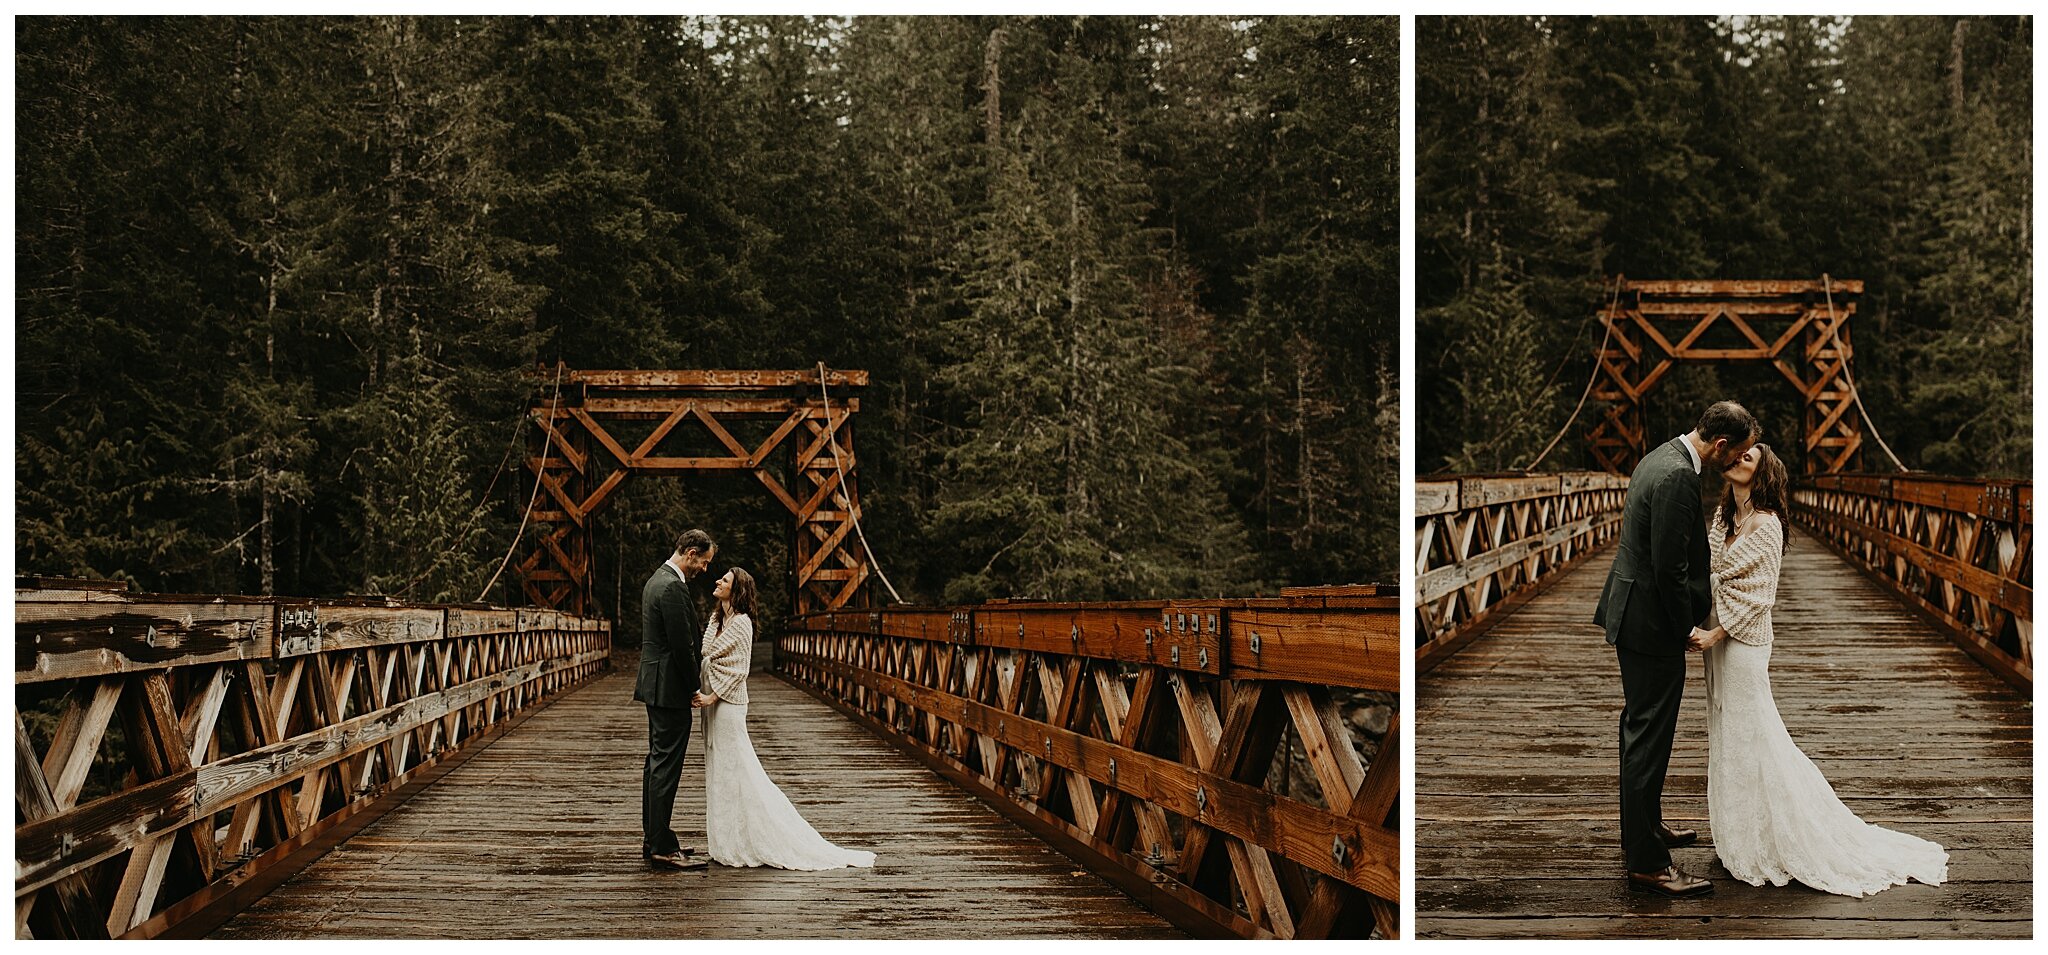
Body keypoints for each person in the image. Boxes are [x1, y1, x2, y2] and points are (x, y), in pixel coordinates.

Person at [1694, 443, 1948, 896]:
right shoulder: (1722, 517)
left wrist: (1715, 634)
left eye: (1746, 459)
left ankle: (1781, 836)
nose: (1734, 461)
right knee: (1727, 729)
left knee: (1754, 731)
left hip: (1743, 641)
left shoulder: (1767, 525)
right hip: (1717, 637)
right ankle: (1740, 832)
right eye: (1733, 456)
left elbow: (1760, 597)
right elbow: (1710, 568)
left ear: (1762, 473)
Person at [1592, 400, 1758, 896]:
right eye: (1740, 453)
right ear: (1721, 445)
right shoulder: (1678, 478)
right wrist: (1686, 624)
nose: (1738, 463)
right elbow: (1668, 568)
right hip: (1650, 625)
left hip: (1635, 612)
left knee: (1642, 731)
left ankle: (1646, 827)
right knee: (1647, 736)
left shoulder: (1660, 456)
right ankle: (1647, 862)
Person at [695, 566, 876, 870]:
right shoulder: (716, 620)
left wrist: (713, 695)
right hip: (711, 704)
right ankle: (727, 840)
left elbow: (740, 669)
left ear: (737, 589)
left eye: (724, 580)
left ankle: (758, 836)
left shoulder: (742, 624)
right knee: (720, 771)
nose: (717, 581)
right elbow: (707, 654)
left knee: (738, 770)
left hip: (727, 703)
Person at [635, 528, 715, 871]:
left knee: (656, 763)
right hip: (669, 688)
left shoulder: (658, 578)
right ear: (692, 553)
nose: (705, 570)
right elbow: (683, 647)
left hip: (657, 684)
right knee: (665, 766)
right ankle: (663, 849)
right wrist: (693, 689)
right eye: (705, 562)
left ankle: (655, 837)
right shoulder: (670, 586)